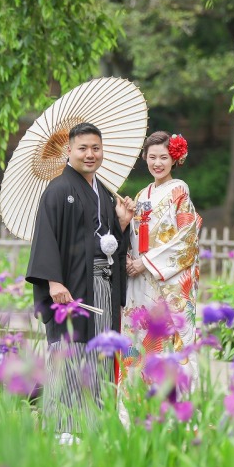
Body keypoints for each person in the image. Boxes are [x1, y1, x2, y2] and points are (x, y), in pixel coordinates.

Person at [25, 122, 134, 442]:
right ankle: (65, 425)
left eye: (96, 148)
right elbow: (45, 239)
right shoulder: (58, 190)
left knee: (100, 348)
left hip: (102, 284)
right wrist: (53, 282)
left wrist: (123, 224)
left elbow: (109, 242)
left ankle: (95, 422)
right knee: (70, 350)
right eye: (83, 148)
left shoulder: (102, 192)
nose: (90, 154)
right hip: (71, 288)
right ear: (68, 151)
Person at [119, 131, 202, 419]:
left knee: (169, 340)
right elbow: (136, 236)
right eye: (152, 157)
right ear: (145, 158)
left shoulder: (180, 190)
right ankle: (137, 412)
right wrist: (127, 222)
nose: (157, 163)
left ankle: (175, 414)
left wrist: (146, 262)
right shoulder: (142, 195)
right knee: (141, 340)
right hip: (142, 282)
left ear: (174, 159)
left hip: (168, 281)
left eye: (163, 157)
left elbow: (186, 238)